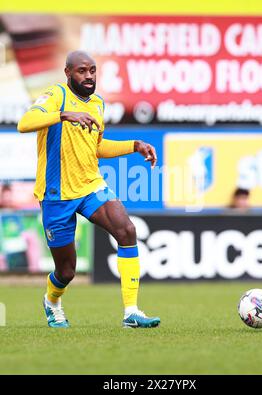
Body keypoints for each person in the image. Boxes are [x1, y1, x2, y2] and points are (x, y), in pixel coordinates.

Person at [17, 50, 160, 329]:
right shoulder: (55, 95)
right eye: (82, 71)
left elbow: (96, 148)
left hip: (90, 185)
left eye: (92, 71)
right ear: (68, 72)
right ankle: (52, 302)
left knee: (127, 230)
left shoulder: (97, 104)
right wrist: (63, 115)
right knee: (66, 271)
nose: (89, 76)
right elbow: (25, 123)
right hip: (57, 194)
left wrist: (134, 145)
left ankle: (131, 311)